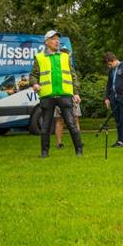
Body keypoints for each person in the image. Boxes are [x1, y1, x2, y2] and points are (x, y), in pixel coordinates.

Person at [30, 29, 83, 158]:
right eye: (53, 39)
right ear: (47, 42)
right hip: (47, 96)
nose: (57, 41)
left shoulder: (65, 56)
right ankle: (44, 153)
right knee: (46, 125)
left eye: (58, 39)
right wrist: (35, 84)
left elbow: (73, 75)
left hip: (65, 95)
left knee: (71, 123)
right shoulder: (40, 57)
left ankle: (79, 151)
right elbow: (33, 75)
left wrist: (76, 93)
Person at [103, 51, 123, 147]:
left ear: (114, 60)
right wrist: (106, 98)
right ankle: (120, 141)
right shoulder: (111, 71)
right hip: (114, 98)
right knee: (118, 120)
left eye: (110, 64)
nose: (109, 66)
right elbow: (108, 85)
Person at [53, 46, 82, 148]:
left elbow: (74, 79)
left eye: (68, 54)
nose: (67, 56)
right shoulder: (55, 66)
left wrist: (76, 93)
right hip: (59, 96)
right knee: (60, 120)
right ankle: (59, 143)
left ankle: (78, 141)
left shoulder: (70, 66)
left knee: (75, 119)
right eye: (65, 54)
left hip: (72, 96)